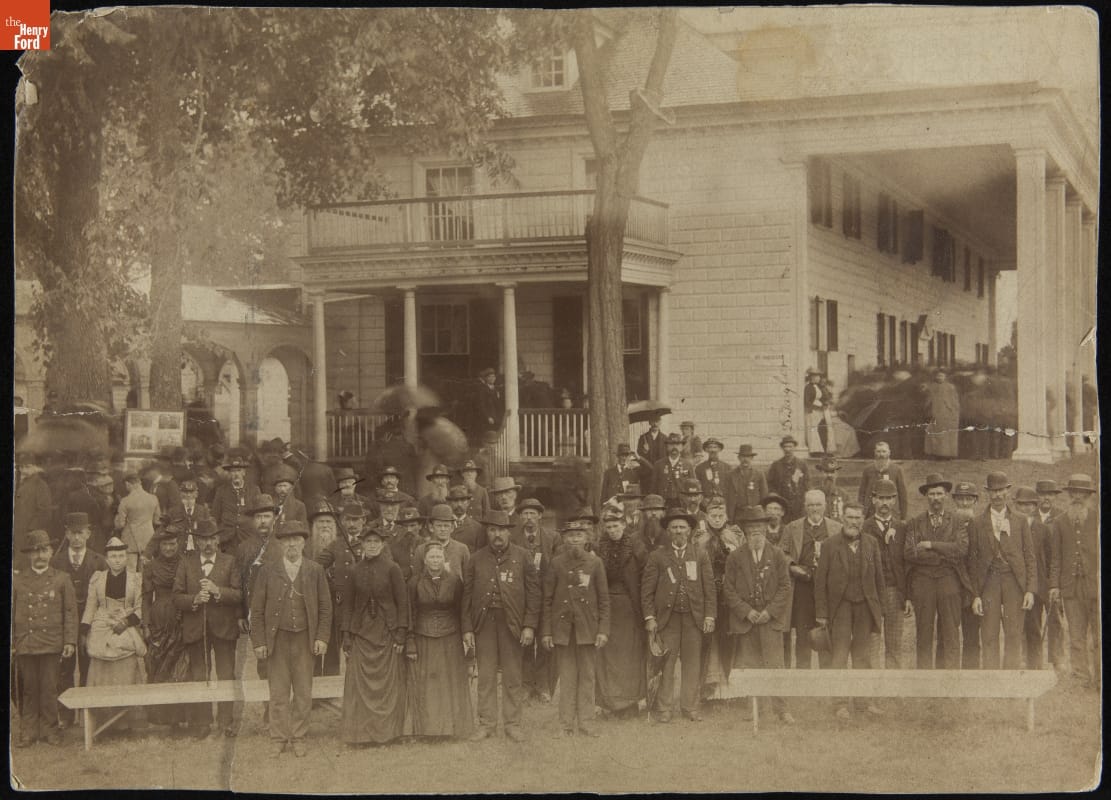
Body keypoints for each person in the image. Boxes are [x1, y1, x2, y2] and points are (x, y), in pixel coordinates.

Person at [250, 521, 332, 758]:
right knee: (278, 692)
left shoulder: (315, 570)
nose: (291, 545)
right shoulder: (267, 570)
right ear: (281, 544)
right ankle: (279, 737)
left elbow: (326, 608)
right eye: (287, 540)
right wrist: (259, 641)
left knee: (304, 691)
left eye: (296, 540)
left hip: (305, 640)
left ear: (304, 542)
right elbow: (256, 610)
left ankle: (298, 736)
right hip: (277, 640)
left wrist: (322, 637)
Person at [462, 510, 541, 743]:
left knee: (513, 675)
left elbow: (534, 595)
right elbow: (466, 596)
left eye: (502, 530)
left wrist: (529, 626)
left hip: (513, 625)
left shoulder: (523, 556)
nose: (497, 535)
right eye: (493, 530)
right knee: (485, 676)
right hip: (484, 624)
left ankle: (512, 724)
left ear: (509, 531)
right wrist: (467, 628)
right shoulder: (476, 559)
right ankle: (486, 724)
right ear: (487, 532)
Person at [640, 510, 716, 723]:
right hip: (668, 620)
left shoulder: (700, 554)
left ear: (690, 530)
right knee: (667, 663)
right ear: (668, 531)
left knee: (692, 663)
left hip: (694, 619)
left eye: (682, 527)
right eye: (674, 527)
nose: (679, 531)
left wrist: (709, 616)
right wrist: (650, 618)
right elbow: (647, 591)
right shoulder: (658, 556)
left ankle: (689, 707)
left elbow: (710, 588)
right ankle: (664, 709)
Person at [722, 506, 794, 725]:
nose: (756, 533)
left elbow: (785, 587)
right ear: (744, 531)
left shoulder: (778, 555)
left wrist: (769, 612)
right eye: (751, 529)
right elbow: (729, 590)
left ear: (765, 529)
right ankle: (756, 709)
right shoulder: (735, 557)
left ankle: (782, 709)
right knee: (751, 666)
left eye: (760, 528)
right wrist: (747, 612)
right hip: (747, 622)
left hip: (770, 621)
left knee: (775, 665)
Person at [815, 502, 885, 719]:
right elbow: (820, 582)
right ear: (842, 519)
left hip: (864, 606)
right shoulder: (829, 544)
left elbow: (879, 579)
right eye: (850, 517)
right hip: (841, 607)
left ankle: (863, 703)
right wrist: (822, 613)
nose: (853, 522)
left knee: (862, 656)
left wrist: (879, 609)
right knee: (839, 655)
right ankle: (840, 704)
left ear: (863, 520)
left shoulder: (872, 543)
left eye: (857, 518)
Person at [340, 527, 409, 746]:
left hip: (386, 631)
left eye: (375, 541)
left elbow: (403, 603)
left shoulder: (392, 569)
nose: (371, 545)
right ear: (362, 544)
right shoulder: (354, 570)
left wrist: (400, 633)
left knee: (387, 684)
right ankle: (361, 734)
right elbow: (348, 605)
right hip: (361, 631)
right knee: (360, 684)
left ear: (382, 544)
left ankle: (387, 733)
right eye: (367, 541)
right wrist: (347, 635)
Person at [173, 518, 241, 738]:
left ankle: (226, 723)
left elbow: (239, 594)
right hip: (196, 628)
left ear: (218, 539)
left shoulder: (230, 561)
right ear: (197, 542)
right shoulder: (186, 562)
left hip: (224, 628)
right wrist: (194, 599)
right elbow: (176, 597)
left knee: (226, 674)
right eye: (203, 540)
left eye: (212, 539)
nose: (208, 544)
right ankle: (202, 723)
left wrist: (217, 590)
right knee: (200, 675)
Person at [541, 520, 610, 737]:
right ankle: (565, 724)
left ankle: (587, 723)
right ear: (564, 538)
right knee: (568, 676)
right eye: (570, 535)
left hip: (588, 629)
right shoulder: (556, 563)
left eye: (579, 535)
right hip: (563, 629)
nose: (575, 539)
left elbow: (604, 600)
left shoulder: (595, 563)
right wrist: (546, 631)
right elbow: (547, 599)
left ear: (587, 538)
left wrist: (603, 630)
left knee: (588, 676)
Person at [13, 530, 78, 747]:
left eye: (44, 550)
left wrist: (70, 641)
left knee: (50, 687)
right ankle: (29, 731)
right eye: (35, 551)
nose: (40, 555)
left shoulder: (61, 579)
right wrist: (13, 642)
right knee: (29, 688)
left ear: (50, 552)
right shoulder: (18, 581)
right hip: (26, 643)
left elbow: (70, 612)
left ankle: (51, 730)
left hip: (52, 642)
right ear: (29, 555)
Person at [967, 472, 1035, 670]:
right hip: (989, 582)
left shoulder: (1020, 521)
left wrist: (1030, 590)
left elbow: (1030, 557)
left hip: (1014, 582)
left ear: (1008, 491)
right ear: (987, 493)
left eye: (1001, 490)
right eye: (993, 491)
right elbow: (972, 561)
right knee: (989, 633)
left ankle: (1011, 680)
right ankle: (991, 680)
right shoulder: (977, 522)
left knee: (1014, 633)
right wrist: (975, 595)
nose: (997, 495)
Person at [406, 542, 474, 739]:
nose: (435, 561)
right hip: (423, 636)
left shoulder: (454, 581)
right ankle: (427, 730)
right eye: (431, 557)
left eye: (438, 557)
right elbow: (410, 613)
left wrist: (465, 634)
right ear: (424, 560)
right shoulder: (414, 583)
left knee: (450, 681)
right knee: (427, 683)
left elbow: (462, 610)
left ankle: (453, 728)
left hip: (450, 637)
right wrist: (410, 640)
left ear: (444, 559)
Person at [904, 474, 970, 669]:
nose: (935, 498)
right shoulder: (915, 522)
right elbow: (910, 552)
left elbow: (961, 549)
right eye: (932, 494)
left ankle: (950, 678)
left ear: (946, 496)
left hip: (948, 580)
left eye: (939, 493)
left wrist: (931, 544)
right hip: (923, 581)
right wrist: (942, 555)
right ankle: (924, 679)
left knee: (950, 630)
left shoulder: (957, 520)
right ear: (927, 497)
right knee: (924, 631)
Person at [83, 537, 147, 732]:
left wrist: (126, 622)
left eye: (121, 555)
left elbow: (140, 607)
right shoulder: (97, 578)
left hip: (125, 622)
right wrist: (84, 631)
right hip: (101, 624)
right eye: (113, 556)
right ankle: (102, 718)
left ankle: (126, 720)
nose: (117, 560)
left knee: (126, 669)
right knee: (101, 670)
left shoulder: (136, 578)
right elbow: (90, 607)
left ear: (126, 557)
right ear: (107, 559)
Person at [51, 512, 108, 727]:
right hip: (64, 623)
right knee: (64, 668)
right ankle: (65, 715)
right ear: (66, 533)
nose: (76, 538)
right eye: (72, 533)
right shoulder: (56, 561)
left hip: (89, 622)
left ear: (88, 533)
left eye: (80, 533)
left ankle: (86, 714)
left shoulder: (99, 561)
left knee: (88, 665)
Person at [1048, 474, 1099, 690]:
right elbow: (1056, 557)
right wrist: (1054, 585)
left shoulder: (1099, 518)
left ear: (1088, 496)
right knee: (1076, 635)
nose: (1078, 497)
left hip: (1095, 586)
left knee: (1099, 635)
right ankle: (1081, 677)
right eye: (1074, 493)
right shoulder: (1059, 522)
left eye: (1082, 493)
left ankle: (1101, 678)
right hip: (1070, 588)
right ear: (1069, 495)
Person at [594, 512, 646, 717]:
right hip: (607, 608)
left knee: (629, 655)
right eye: (609, 527)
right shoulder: (599, 549)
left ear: (624, 525)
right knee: (608, 654)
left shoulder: (637, 547)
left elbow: (645, 576)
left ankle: (630, 702)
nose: (613, 530)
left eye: (616, 526)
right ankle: (610, 702)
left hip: (629, 607)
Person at [784, 489, 841, 669]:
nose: (814, 509)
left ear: (825, 506)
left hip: (827, 589)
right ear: (805, 507)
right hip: (802, 587)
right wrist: (793, 566)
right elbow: (781, 554)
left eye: (818, 505)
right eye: (811, 505)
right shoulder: (792, 527)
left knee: (825, 630)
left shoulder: (836, 528)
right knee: (803, 633)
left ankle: (825, 676)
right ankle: (803, 677)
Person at [510, 497, 558, 704]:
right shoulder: (512, 538)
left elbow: (557, 568)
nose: (528, 518)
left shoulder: (553, 538)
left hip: (547, 596)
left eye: (532, 514)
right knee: (525, 643)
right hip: (522, 598)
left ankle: (543, 685)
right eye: (525, 514)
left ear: (540, 516)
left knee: (546, 642)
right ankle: (526, 685)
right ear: (520, 517)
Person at [142, 528, 191, 731]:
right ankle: (163, 718)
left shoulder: (186, 563)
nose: (169, 548)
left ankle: (181, 717)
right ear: (158, 546)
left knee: (181, 667)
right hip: (159, 620)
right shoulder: (151, 567)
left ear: (178, 544)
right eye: (164, 544)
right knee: (159, 665)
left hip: (182, 618)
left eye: (172, 544)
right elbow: (145, 598)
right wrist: (145, 625)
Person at [316, 499, 369, 674]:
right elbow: (317, 566)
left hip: (363, 606)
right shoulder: (336, 545)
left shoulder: (371, 542)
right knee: (332, 650)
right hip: (338, 605)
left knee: (360, 648)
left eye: (356, 519)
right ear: (343, 521)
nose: (352, 524)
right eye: (348, 520)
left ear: (364, 521)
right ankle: (330, 696)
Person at [697, 496, 742, 697]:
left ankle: (729, 685)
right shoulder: (699, 537)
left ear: (726, 516)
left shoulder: (734, 535)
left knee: (728, 637)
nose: (716, 519)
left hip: (728, 592)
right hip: (707, 592)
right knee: (708, 638)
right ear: (706, 516)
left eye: (720, 516)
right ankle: (709, 685)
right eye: (713, 516)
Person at [861, 479, 907, 669]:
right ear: (873, 500)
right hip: (871, 592)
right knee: (872, 640)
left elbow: (907, 563)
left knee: (895, 641)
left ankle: (892, 685)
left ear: (895, 500)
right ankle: (872, 686)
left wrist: (906, 595)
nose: (885, 503)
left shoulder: (902, 527)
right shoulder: (864, 527)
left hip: (894, 591)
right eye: (881, 498)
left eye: (889, 498)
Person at [1013, 487, 1053, 670]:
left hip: (1036, 588)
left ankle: (1035, 666)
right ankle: (1018, 664)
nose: (1025, 508)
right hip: (1014, 587)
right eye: (1021, 504)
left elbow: (1050, 559)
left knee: (1034, 628)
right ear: (1015, 505)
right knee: (1016, 629)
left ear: (1034, 506)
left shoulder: (1043, 530)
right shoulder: (1009, 527)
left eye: (1029, 504)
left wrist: (1049, 586)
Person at [942, 480, 981, 670]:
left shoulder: (983, 526)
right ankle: (945, 677)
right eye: (960, 499)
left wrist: (977, 592)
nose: (965, 504)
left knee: (972, 635)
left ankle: (970, 677)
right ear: (954, 501)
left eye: (969, 500)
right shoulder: (946, 525)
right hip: (950, 587)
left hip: (972, 589)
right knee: (947, 633)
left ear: (976, 502)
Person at [1034, 479, 1066, 670]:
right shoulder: (1029, 518)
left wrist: (1057, 581)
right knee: (1032, 620)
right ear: (1037, 496)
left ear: (1055, 497)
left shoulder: (1061, 518)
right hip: (1035, 578)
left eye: (1050, 495)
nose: (1046, 498)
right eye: (1042, 494)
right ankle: (1033, 657)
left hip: (1055, 579)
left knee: (1055, 618)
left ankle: (1057, 658)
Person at [211, 450, 262, 554]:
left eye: (239, 470)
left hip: (247, 537)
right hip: (227, 540)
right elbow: (215, 517)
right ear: (230, 473)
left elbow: (259, 515)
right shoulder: (221, 491)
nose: (236, 474)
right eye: (233, 471)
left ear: (244, 472)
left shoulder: (254, 490)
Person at [115, 472, 161, 571]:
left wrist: (116, 519)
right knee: (146, 571)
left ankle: (131, 587)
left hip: (130, 539)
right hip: (148, 538)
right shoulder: (153, 498)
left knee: (130, 571)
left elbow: (120, 524)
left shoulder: (125, 501)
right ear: (139, 483)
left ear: (128, 484)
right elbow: (157, 521)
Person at [415, 504, 472, 577]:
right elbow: (416, 579)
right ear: (431, 527)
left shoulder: (462, 549)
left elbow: (468, 578)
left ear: (452, 528)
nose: (443, 529)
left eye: (446, 526)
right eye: (439, 525)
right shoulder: (421, 550)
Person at [858, 441, 909, 520]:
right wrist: (861, 512)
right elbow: (862, 493)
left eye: (884, 451)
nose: (881, 455)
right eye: (878, 451)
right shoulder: (868, 470)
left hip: (891, 513)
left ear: (889, 453)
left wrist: (903, 517)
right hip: (871, 513)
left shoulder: (896, 470)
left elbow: (903, 495)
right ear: (875, 452)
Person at [15, 453, 54, 554]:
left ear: (35, 467)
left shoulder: (40, 485)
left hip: (30, 533)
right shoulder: (22, 483)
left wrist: (32, 529)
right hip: (19, 531)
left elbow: (45, 511)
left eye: (27, 467)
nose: (24, 470)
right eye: (21, 467)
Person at [766, 436, 809, 523]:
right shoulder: (776, 465)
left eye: (790, 446)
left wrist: (805, 500)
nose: (788, 449)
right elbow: (769, 484)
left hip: (799, 504)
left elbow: (807, 483)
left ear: (794, 447)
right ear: (782, 448)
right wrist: (775, 497)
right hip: (782, 504)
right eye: (785, 447)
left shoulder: (802, 465)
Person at [166, 478, 210, 553]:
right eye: (185, 492)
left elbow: (210, 532)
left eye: (191, 492)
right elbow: (162, 532)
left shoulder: (203, 511)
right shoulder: (173, 512)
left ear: (196, 494)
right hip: (179, 552)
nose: (188, 495)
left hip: (199, 552)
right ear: (180, 494)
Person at [924, 368, 960, 459]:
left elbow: (954, 400)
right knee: (935, 433)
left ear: (945, 377)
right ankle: (935, 453)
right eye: (938, 376)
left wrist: (954, 410)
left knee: (946, 434)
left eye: (942, 376)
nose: (939, 377)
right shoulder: (932, 386)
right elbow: (928, 400)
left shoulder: (950, 387)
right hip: (935, 412)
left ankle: (947, 454)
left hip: (947, 412)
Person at [725, 444, 767, 522]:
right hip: (737, 513)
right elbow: (727, 497)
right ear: (739, 458)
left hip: (754, 513)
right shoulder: (731, 475)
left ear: (752, 458)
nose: (745, 459)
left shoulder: (759, 474)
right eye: (743, 457)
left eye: (748, 457)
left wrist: (761, 512)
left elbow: (764, 495)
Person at [649, 433, 693, 507]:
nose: (674, 447)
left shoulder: (688, 465)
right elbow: (653, 488)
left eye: (677, 444)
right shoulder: (659, 464)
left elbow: (692, 486)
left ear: (682, 447)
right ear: (666, 447)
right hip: (663, 503)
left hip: (682, 504)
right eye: (671, 444)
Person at [447, 484, 484, 553]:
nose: (459, 504)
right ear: (449, 503)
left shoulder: (477, 528)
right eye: (455, 501)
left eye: (463, 500)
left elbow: (479, 554)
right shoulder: (444, 526)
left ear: (468, 503)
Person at [815, 456, 847, 521]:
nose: (829, 475)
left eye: (832, 472)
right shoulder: (813, 494)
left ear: (837, 474)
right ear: (820, 473)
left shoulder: (844, 495)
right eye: (826, 472)